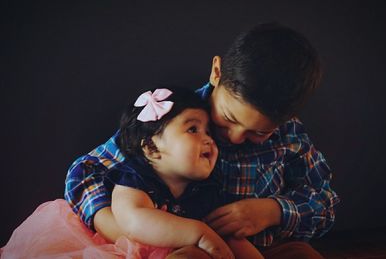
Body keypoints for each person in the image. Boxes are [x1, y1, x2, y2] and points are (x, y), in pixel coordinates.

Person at [65, 22, 340, 258]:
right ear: (217, 72)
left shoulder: (289, 133)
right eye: (230, 118)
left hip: (261, 248)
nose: (234, 137)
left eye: (259, 132)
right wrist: (119, 224)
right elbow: (84, 171)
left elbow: (324, 202)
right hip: (192, 246)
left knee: (303, 254)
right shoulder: (177, 118)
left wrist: (272, 211)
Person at [1, 87, 263, 259]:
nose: (208, 140)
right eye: (193, 130)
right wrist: (198, 233)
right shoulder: (135, 177)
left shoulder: (206, 191)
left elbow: (228, 238)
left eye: (209, 132)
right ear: (151, 147)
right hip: (111, 249)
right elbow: (132, 220)